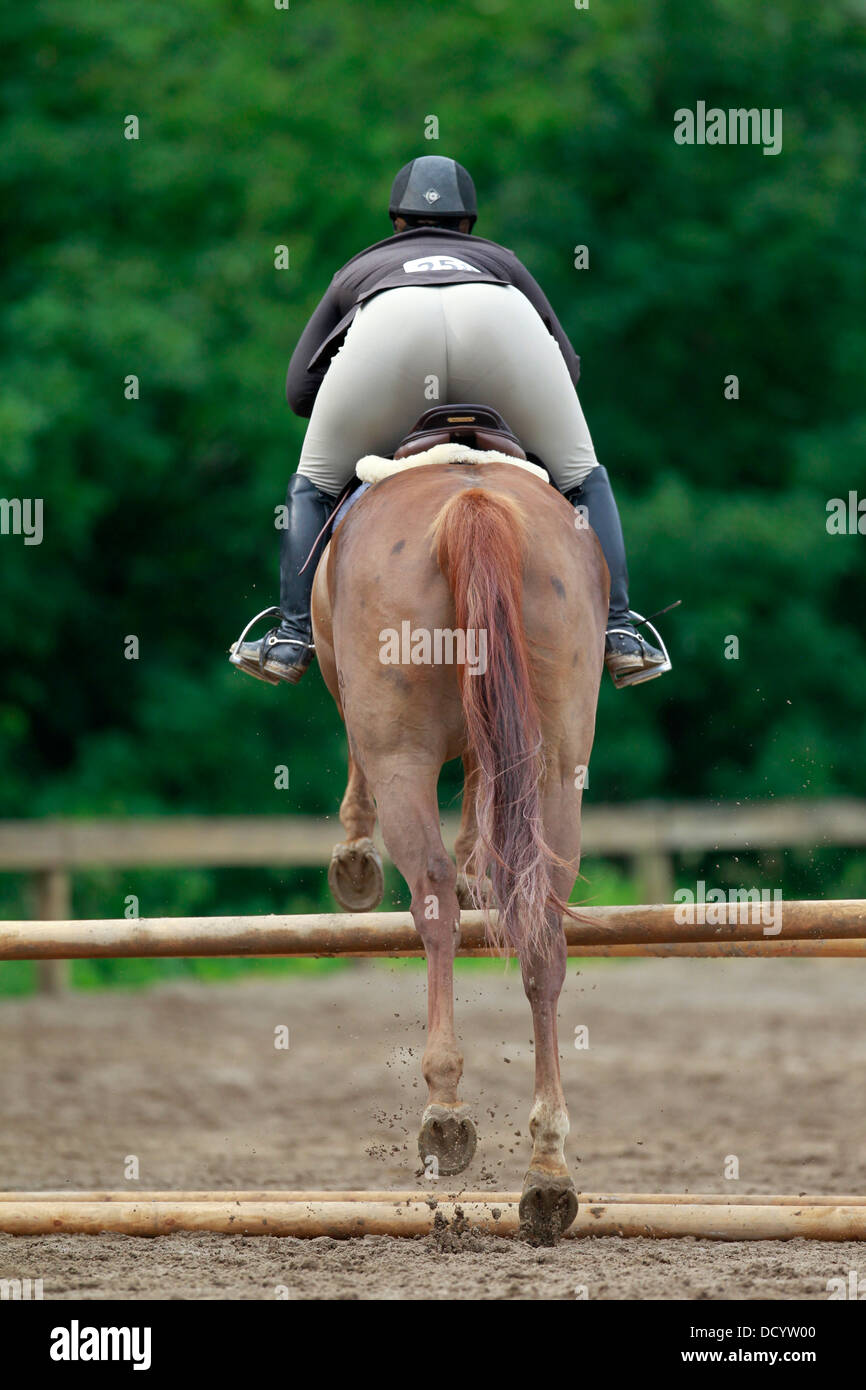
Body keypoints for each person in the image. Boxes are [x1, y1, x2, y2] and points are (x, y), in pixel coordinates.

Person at [230, 155, 669, 689]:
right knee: (582, 474)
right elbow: (569, 369)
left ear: (396, 222)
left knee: (314, 482)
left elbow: (299, 391)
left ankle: (292, 636)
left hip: (390, 325)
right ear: (468, 225)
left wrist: (379, 411)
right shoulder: (501, 261)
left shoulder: (360, 267)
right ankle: (619, 631)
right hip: (499, 318)